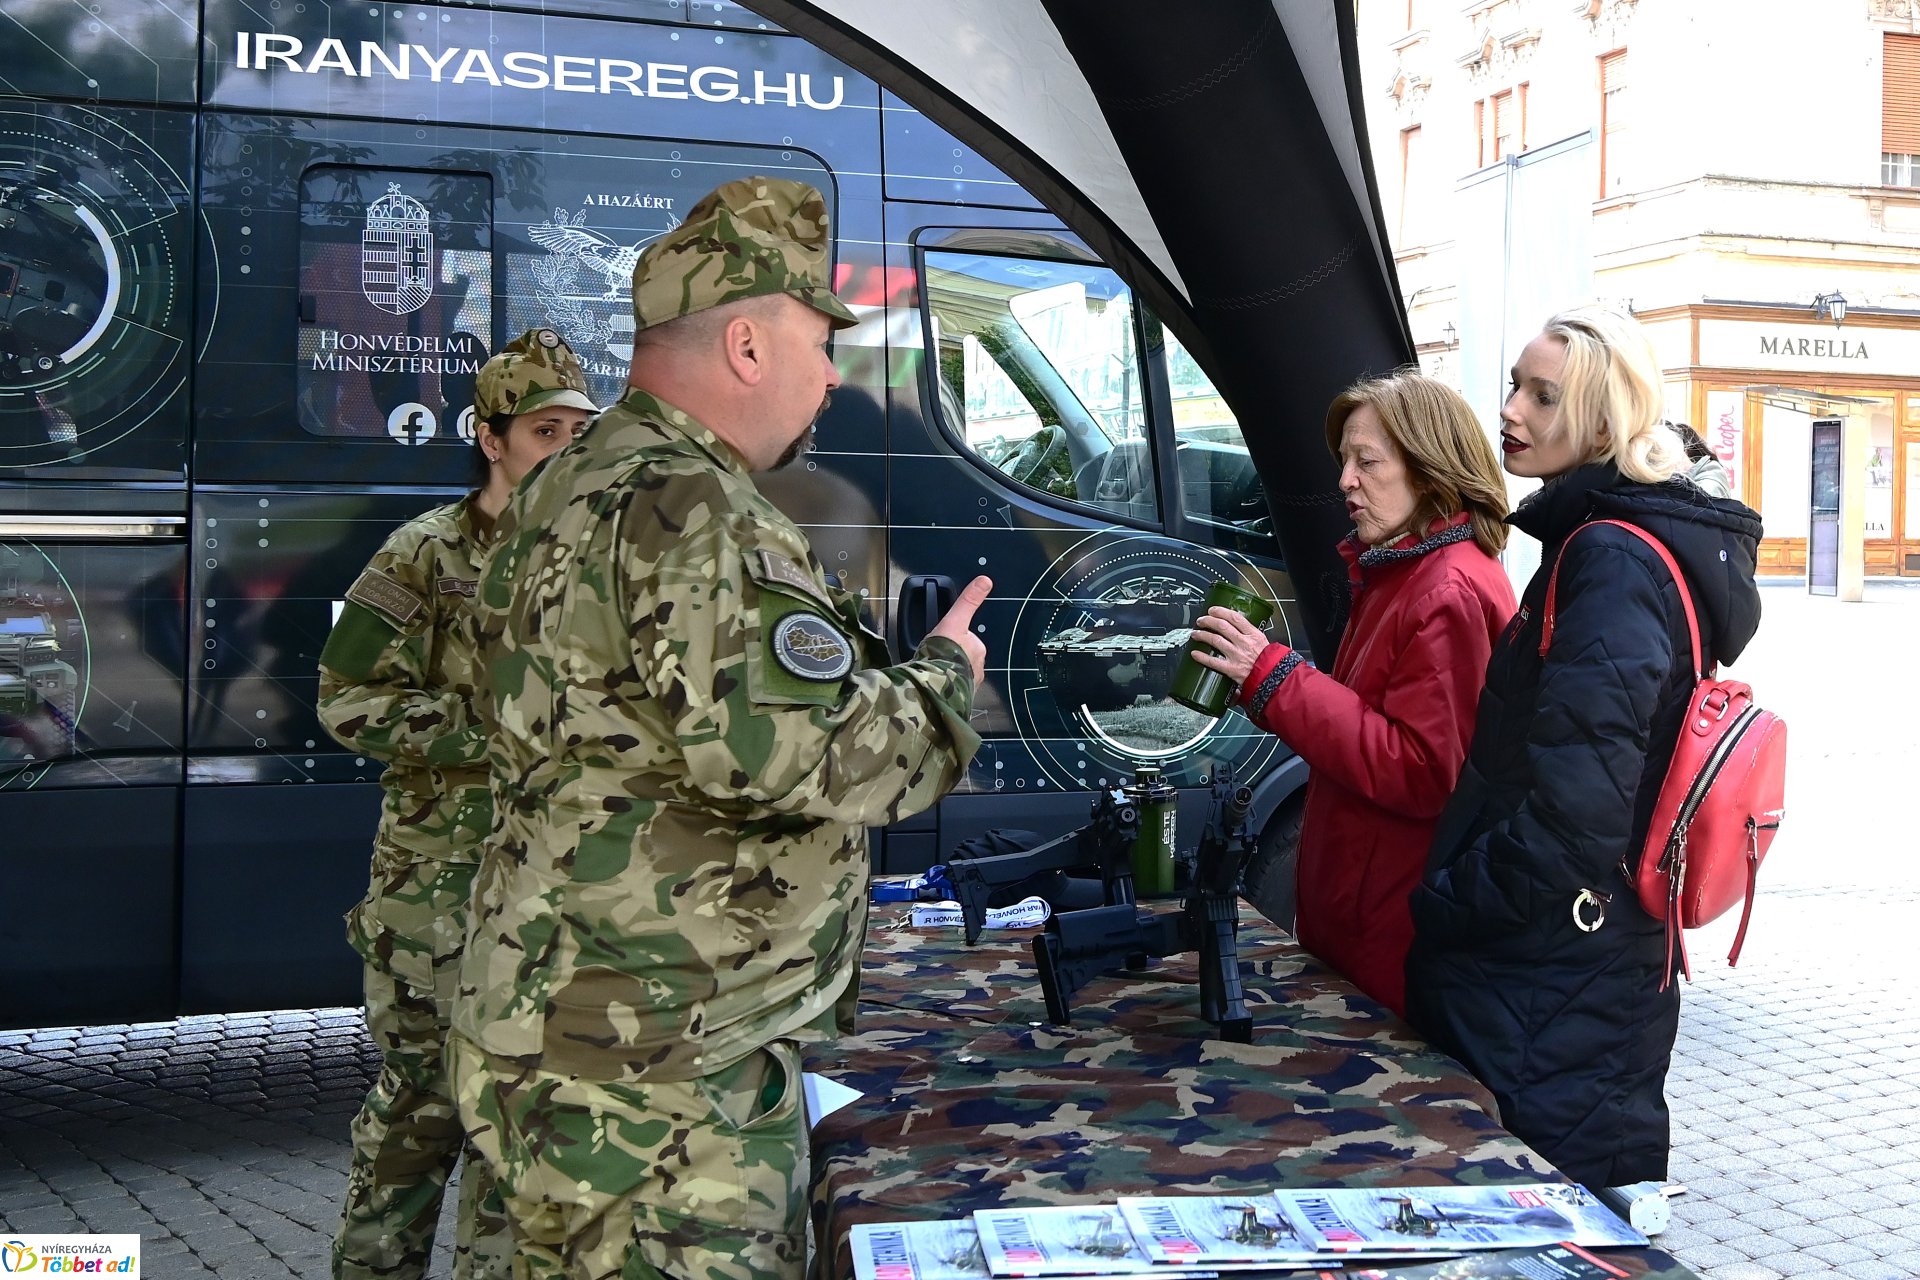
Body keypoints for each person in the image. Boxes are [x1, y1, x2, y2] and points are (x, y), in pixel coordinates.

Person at [448, 177, 990, 1280]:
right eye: (818, 341)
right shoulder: (691, 507)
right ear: (747, 343)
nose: (836, 373)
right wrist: (945, 677)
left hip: (569, 1019)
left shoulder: (570, 482)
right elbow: (795, 750)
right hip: (658, 1072)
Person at [1404, 305, 1763, 1191]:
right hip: (1585, 968)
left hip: (1552, 972)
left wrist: (1454, 900)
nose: (1511, 412)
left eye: (1543, 397)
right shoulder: (1613, 542)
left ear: (1602, 424)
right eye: (1515, 387)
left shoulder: (1610, 557)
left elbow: (1577, 811)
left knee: (1544, 1208)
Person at [318, 328, 598, 1280]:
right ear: (492, 439)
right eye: (544, 430)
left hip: (553, 898)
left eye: (578, 430)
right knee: (416, 1121)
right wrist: (496, 735)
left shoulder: (599, 561)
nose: (565, 446)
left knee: (516, 1132)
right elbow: (347, 701)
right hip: (435, 896)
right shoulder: (424, 557)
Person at [1187, 371, 1515, 1017]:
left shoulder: (1444, 590)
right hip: (1373, 906)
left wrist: (1272, 677)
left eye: (1367, 461)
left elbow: (1423, 770)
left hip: (1393, 919)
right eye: (1345, 461)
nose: (1345, 481)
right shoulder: (1402, 570)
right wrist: (1265, 682)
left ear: (1429, 470)